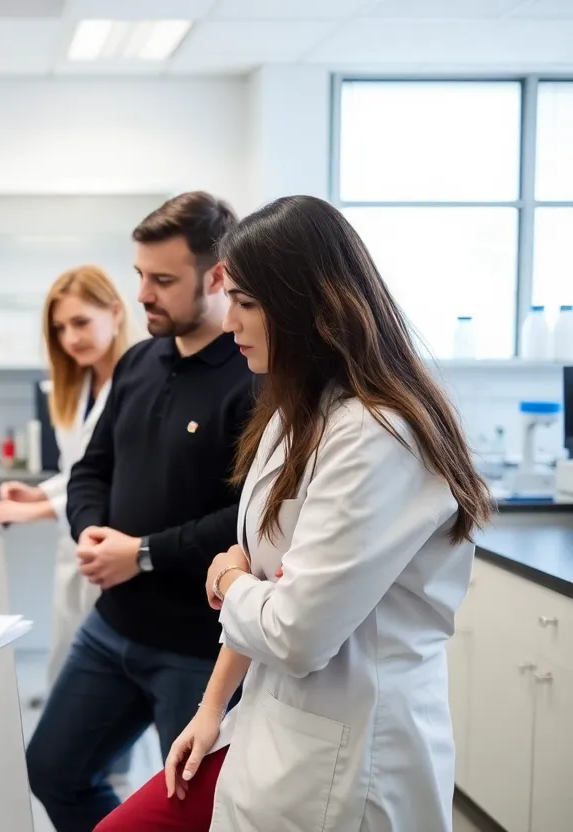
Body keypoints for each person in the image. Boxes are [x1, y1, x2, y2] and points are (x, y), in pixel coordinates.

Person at [94, 195, 494, 832]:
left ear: (310, 307)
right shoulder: (294, 413)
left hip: (348, 750)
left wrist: (229, 580)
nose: (230, 321)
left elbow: (295, 632)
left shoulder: (377, 436)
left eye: (246, 303)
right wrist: (211, 707)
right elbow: (265, 580)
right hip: (271, 720)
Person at [24, 191, 254, 832]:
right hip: (112, 627)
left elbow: (247, 519)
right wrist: (90, 534)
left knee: (188, 816)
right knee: (53, 771)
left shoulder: (251, 377)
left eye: (163, 280)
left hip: (198, 648)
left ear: (217, 276)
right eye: (140, 276)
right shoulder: (138, 363)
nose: (144, 295)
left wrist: (143, 554)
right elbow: (90, 470)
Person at [0, 265, 132, 688]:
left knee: (107, 686)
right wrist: (41, 494)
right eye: (60, 328)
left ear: (116, 313)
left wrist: (41, 510)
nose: (70, 338)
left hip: (115, 550)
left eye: (81, 322)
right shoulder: (78, 385)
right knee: (66, 670)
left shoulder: (138, 383)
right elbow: (81, 470)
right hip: (75, 549)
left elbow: (120, 478)